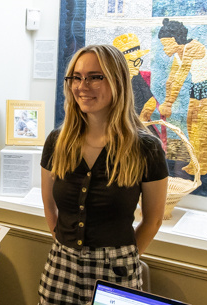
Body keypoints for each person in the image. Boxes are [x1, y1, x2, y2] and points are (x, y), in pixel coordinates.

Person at [38, 45, 169, 305]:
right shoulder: (58, 141)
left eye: (95, 77)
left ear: (117, 81)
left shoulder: (145, 147)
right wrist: (68, 248)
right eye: (76, 77)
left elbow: (153, 220)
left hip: (116, 274)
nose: (82, 86)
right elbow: (49, 206)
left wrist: (121, 260)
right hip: (60, 268)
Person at [155, 19, 207, 175]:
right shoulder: (177, 54)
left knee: (202, 125)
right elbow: (171, 79)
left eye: (166, 43)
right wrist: (167, 102)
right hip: (198, 85)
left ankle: (202, 165)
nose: (164, 48)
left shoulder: (193, 47)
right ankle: (195, 163)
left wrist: (170, 102)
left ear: (176, 39)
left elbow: (181, 76)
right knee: (191, 123)